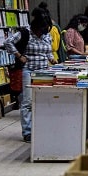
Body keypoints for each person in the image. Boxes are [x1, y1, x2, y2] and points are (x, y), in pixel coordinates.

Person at [4, 10, 57, 142]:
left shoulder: (47, 35)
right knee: (27, 102)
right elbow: (7, 42)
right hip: (29, 70)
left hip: (44, 70)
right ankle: (27, 131)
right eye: (41, 29)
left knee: (44, 100)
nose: (42, 32)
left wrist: (52, 59)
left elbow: (48, 51)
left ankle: (42, 127)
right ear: (36, 26)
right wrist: (19, 56)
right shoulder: (25, 33)